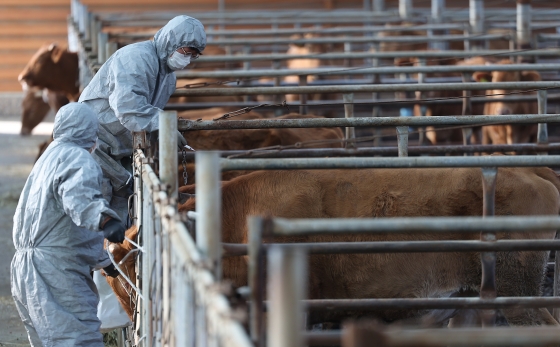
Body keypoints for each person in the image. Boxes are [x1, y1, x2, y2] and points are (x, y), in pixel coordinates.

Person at [11, 103, 126, 347]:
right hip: (55, 274)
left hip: (25, 268)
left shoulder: (49, 157)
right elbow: (79, 197)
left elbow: (61, 228)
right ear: (91, 132)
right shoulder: (77, 158)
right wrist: (105, 219)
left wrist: (105, 262)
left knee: (48, 341)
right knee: (77, 340)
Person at [79, 15, 206, 222]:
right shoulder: (136, 57)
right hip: (95, 143)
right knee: (96, 211)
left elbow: (145, 114)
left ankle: (117, 250)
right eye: (186, 51)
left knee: (123, 210)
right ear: (171, 41)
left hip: (120, 149)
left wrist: (160, 132)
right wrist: (164, 126)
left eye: (194, 55)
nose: (188, 59)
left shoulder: (168, 78)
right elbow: (129, 108)